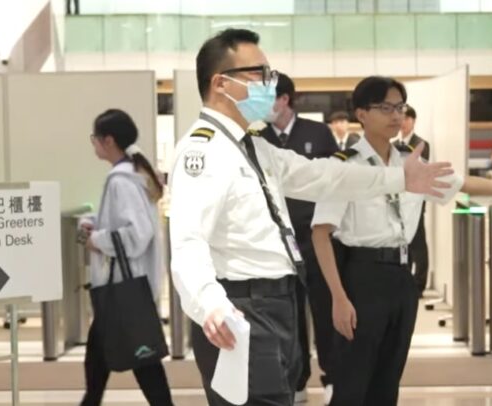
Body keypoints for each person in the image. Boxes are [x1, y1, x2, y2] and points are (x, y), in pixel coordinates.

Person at [169, 28, 459, 406]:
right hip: (242, 306)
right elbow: (188, 242)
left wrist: (400, 177)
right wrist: (210, 304)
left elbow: (323, 175)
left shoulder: (252, 146)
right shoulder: (204, 150)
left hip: (277, 303)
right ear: (221, 83)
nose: (269, 85)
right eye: (259, 74)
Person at [311, 76, 492, 406]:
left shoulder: (410, 162)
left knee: (388, 381)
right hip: (361, 278)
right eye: (385, 108)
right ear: (361, 113)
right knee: (351, 383)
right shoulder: (344, 166)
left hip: (402, 277)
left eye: (399, 108)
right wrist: (338, 297)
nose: (395, 115)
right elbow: (321, 234)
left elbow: (464, 184)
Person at [79, 109, 173, 406]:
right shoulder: (134, 174)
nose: (93, 144)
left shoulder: (121, 180)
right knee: (101, 359)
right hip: (126, 287)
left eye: (95, 138)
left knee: (143, 363)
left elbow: (136, 233)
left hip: (122, 287)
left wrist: (96, 240)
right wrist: (95, 222)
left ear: (108, 141)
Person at [260, 72, 340, 403]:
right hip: (275, 243)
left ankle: (332, 376)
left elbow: (335, 181)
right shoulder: (256, 137)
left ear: (285, 99)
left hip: (315, 239)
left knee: (324, 310)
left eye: (268, 97)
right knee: (288, 315)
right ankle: (297, 379)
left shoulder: (318, 134)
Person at [392, 105, 431, 296]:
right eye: (401, 117)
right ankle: (405, 280)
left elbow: (417, 171)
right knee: (403, 243)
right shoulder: (393, 144)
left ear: (413, 121)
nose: (403, 122)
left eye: (407, 118)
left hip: (415, 201)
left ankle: (420, 283)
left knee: (418, 243)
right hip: (399, 202)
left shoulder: (421, 143)